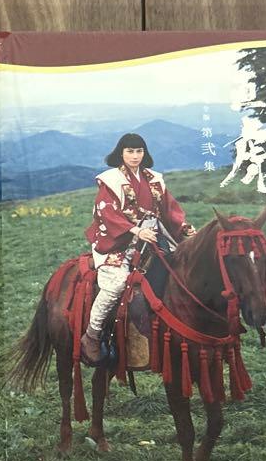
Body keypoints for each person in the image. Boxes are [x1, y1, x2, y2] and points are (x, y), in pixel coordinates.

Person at [80, 133, 193, 364]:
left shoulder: (155, 179)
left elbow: (169, 209)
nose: (135, 156)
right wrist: (135, 230)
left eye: (139, 151)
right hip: (118, 243)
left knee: (180, 271)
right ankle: (92, 334)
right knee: (115, 285)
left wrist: (184, 229)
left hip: (152, 239)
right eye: (130, 151)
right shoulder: (111, 180)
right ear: (121, 153)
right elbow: (107, 212)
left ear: (145, 153)